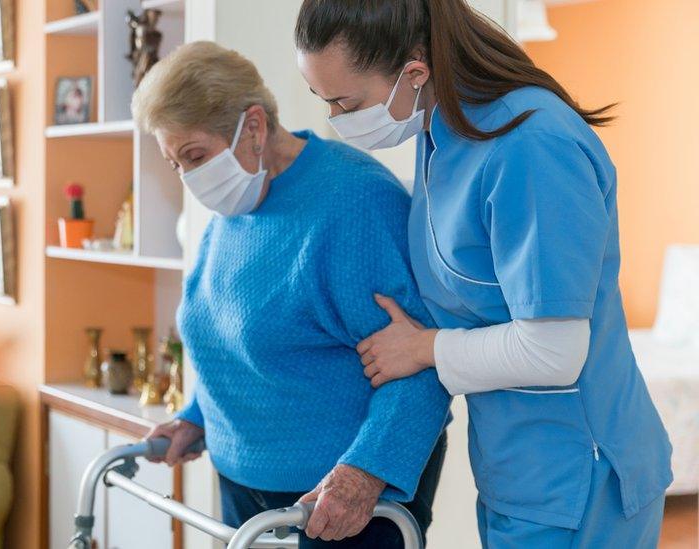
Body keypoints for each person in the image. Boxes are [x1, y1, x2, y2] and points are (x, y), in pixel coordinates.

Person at [295, 1, 673, 547]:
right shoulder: (442, 131)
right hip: (515, 471)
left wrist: (424, 348)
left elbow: (555, 350)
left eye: (345, 102)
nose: (335, 118)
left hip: (579, 472)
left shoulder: (531, 145)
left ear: (415, 71)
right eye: (323, 99)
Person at [132, 41, 450, 547]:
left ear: (253, 126)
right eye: (175, 164)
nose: (190, 178)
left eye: (194, 155)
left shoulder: (355, 202)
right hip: (244, 491)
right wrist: (195, 418)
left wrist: (363, 475)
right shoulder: (237, 208)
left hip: (339, 500)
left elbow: (420, 367)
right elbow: (233, 338)